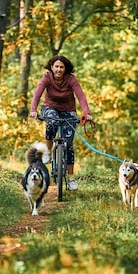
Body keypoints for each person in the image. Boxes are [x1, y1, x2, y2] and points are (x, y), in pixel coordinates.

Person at [29, 55, 93, 191]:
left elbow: (81, 96)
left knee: (69, 145)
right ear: (52, 67)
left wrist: (86, 113)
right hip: (50, 107)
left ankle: (70, 178)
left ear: (65, 69)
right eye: (56, 66)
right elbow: (37, 95)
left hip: (68, 110)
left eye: (61, 67)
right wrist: (33, 110)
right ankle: (48, 151)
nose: (58, 69)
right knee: (51, 122)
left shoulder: (71, 79)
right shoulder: (47, 78)